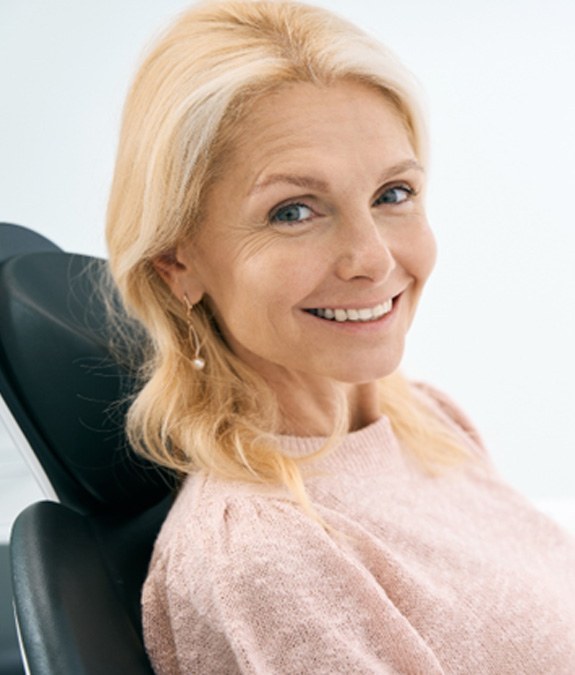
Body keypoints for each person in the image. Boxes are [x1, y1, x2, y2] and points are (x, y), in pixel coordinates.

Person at [105, 1, 575, 672]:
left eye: (392, 194)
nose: (374, 259)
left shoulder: (426, 421)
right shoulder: (265, 555)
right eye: (293, 211)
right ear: (177, 262)